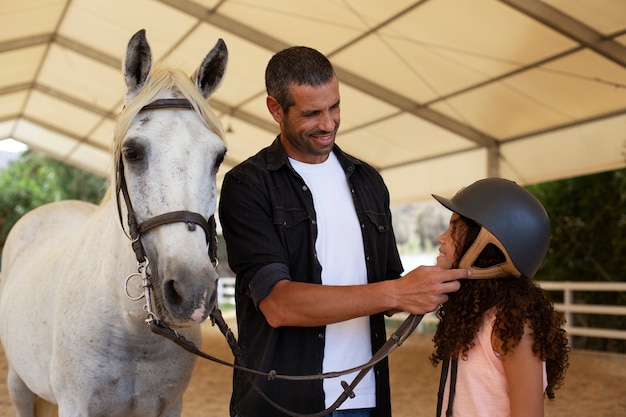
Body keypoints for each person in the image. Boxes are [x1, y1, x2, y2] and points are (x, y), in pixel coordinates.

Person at [218, 45, 469, 417]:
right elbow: (278, 304)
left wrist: (443, 277)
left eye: (334, 106)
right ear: (275, 109)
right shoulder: (247, 185)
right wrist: (396, 291)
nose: (328, 123)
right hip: (281, 401)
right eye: (311, 113)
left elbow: (389, 291)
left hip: (365, 399)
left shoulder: (368, 181)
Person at [429, 177, 570, 417]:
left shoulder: (511, 322)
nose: (441, 237)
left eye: (454, 228)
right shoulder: (473, 313)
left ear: (488, 243)